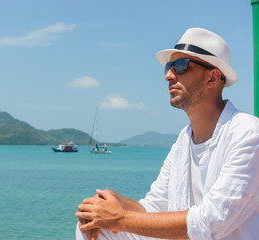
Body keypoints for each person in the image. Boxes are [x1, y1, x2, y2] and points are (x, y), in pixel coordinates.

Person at [75, 27, 259, 240]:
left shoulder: (248, 134)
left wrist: (119, 218)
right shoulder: (184, 139)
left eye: (181, 66)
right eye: (168, 67)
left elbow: (211, 222)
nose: (169, 76)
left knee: (110, 224)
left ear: (212, 78)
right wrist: (117, 203)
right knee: (92, 225)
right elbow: (155, 207)